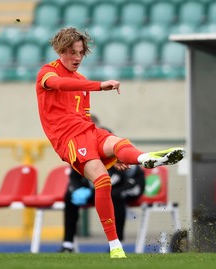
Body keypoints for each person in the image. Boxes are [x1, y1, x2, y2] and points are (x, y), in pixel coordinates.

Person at [35, 27, 185, 258]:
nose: (77, 58)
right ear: (61, 50)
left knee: (116, 143)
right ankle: (115, 245)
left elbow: (84, 116)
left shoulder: (81, 80)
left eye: (81, 53)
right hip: (68, 138)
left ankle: (144, 158)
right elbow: (60, 84)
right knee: (103, 181)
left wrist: (111, 159)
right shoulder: (47, 72)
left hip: (87, 129)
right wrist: (98, 85)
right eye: (73, 52)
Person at [60, 164, 145, 253]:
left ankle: (117, 244)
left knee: (115, 196)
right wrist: (77, 189)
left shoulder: (109, 155)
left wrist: (90, 192)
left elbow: (115, 179)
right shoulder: (80, 157)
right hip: (100, 188)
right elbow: (74, 177)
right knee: (69, 197)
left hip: (128, 184)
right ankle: (68, 244)